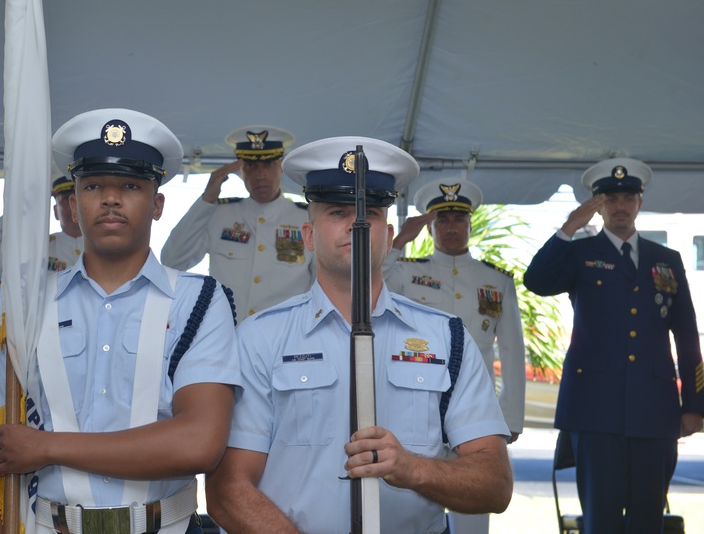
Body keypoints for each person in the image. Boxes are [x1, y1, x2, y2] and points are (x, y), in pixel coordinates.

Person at [206, 137, 513, 534]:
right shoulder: (259, 340)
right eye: (337, 211)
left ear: (388, 233)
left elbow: (495, 486)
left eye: (370, 212)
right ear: (309, 236)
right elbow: (228, 489)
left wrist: (413, 468)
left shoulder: (446, 338)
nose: (356, 223)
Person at [0, 108, 242, 534]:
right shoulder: (26, 306)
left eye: (130, 186)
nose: (111, 198)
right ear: (73, 205)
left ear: (157, 204)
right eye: (94, 185)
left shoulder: (199, 300)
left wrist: (48, 447)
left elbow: (199, 443)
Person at [524, 157, 704, 533]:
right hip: (595, 410)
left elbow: (687, 336)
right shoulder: (580, 254)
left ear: (640, 202)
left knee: (648, 519)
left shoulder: (666, 260)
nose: (620, 206)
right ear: (598, 205)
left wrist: (693, 405)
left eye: (627, 197)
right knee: (600, 520)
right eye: (610, 199)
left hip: (655, 411)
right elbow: (536, 281)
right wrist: (569, 228)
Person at [383, 179, 525, 534]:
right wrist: (399, 242)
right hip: (417, 405)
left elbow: (511, 350)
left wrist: (510, 418)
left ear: (470, 225)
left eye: (458, 220)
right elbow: (371, 283)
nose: (451, 228)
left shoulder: (496, 281)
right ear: (430, 227)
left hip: (475, 414)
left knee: (473, 521)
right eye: (442, 221)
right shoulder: (407, 271)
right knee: (411, 515)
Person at [161, 126, 314, 317]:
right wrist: (206, 200)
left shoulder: (306, 219)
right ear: (240, 170)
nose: (260, 175)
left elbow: (322, 283)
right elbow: (172, 261)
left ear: (281, 167)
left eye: (268, 165)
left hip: (284, 338)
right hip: (227, 334)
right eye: (250, 166)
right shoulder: (219, 214)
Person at [0, 175, 83, 280]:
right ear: (55, 211)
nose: (73, 205)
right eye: (66, 199)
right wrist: (20, 210)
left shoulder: (102, 248)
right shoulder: (35, 249)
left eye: (79, 198)